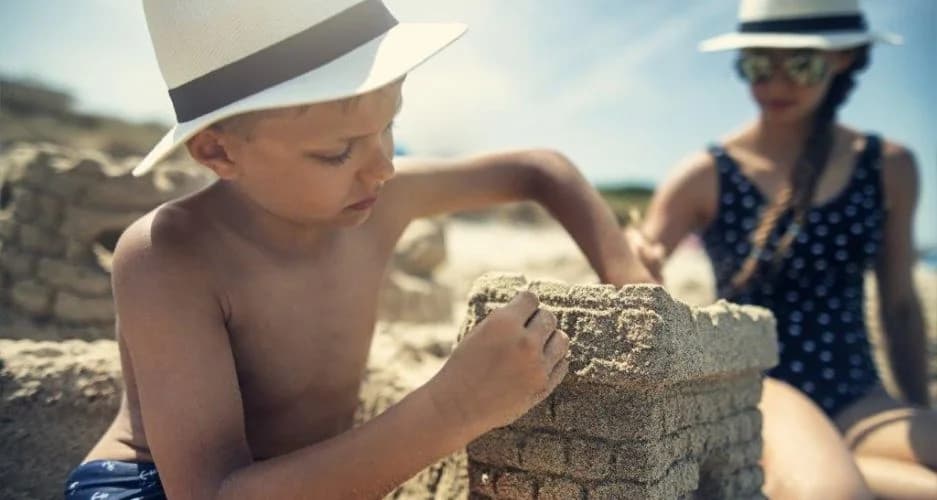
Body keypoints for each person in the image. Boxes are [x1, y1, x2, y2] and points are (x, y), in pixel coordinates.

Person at [63, 1, 654, 498]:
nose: (383, 167)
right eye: (337, 152)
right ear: (218, 152)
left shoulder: (381, 199)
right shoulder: (171, 254)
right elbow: (214, 492)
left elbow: (539, 169)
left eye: (389, 125)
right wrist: (454, 407)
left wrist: (630, 278)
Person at [639, 0, 937, 498]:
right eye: (758, 64)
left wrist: (918, 409)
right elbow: (630, 287)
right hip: (758, 393)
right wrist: (638, 258)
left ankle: (838, 462)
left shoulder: (890, 167)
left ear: (843, 61)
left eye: (800, 63)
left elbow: (901, 308)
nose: (775, 84)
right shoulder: (704, 176)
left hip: (858, 398)